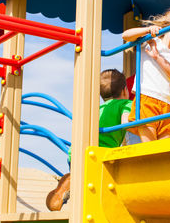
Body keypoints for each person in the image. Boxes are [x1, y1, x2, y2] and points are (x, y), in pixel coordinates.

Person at [46, 69, 132, 211]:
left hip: (76, 152)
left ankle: (67, 185)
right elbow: (126, 122)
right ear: (124, 90)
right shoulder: (124, 104)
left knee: (85, 186)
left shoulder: (97, 108)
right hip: (100, 153)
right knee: (103, 187)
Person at [122, 6, 170, 142]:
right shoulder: (151, 41)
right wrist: (147, 30)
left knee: (162, 150)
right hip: (147, 99)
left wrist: (157, 57)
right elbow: (126, 35)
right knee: (150, 146)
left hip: (168, 105)